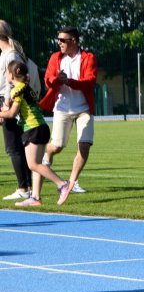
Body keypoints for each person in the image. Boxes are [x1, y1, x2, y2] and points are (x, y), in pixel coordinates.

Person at [0, 60, 71, 206]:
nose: (5, 74)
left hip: (33, 128)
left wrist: (2, 113)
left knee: (33, 164)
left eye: (7, 72)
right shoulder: (27, 87)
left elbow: (12, 113)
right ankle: (35, 198)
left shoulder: (17, 90)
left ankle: (62, 184)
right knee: (37, 164)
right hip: (41, 126)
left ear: (13, 74)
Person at [39, 26, 97, 196]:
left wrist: (70, 81)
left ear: (74, 41)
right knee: (57, 146)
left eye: (63, 40)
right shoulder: (55, 58)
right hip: (62, 108)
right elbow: (48, 80)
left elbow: (90, 81)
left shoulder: (88, 58)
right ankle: (47, 154)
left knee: (84, 145)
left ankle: (72, 183)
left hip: (84, 109)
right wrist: (58, 80)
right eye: (58, 39)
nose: (59, 43)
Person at [0, 19, 35, 201]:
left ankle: (23, 187)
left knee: (13, 147)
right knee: (15, 147)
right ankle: (26, 186)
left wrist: (5, 105)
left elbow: (11, 83)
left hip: (10, 101)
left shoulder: (10, 55)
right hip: (6, 100)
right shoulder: (5, 54)